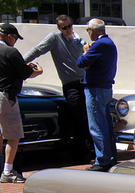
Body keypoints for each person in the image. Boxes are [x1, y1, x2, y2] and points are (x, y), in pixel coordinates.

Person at [23, 14, 90, 158]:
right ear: (58, 28)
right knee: (78, 118)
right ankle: (81, 152)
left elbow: (87, 57)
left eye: (69, 26)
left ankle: (88, 149)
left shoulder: (79, 40)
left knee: (87, 117)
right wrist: (21, 62)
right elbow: (37, 50)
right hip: (71, 84)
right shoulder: (55, 38)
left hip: (85, 82)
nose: (68, 29)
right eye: (64, 27)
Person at [0, 23, 43, 183]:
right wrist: (38, 70)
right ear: (9, 36)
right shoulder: (10, 51)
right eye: (15, 38)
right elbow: (26, 73)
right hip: (4, 95)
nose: (15, 41)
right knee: (14, 137)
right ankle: (8, 172)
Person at [76, 18, 118, 171]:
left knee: (97, 125)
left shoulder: (99, 44)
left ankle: (102, 160)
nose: (88, 33)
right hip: (105, 88)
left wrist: (85, 51)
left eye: (88, 30)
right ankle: (110, 156)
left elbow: (82, 63)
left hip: (96, 89)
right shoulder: (109, 43)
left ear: (92, 30)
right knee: (105, 124)